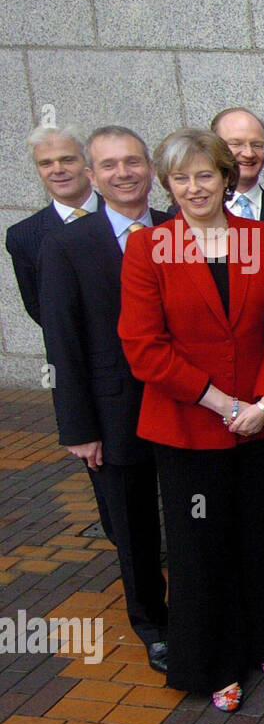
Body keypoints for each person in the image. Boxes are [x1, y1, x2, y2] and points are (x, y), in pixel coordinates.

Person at [118, 128, 264, 712]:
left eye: (205, 175)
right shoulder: (149, 248)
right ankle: (214, 662)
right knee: (201, 549)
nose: (194, 187)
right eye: (180, 178)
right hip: (191, 429)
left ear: (227, 177)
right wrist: (224, 405)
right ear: (166, 185)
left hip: (263, 424)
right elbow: (144, 347)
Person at [38, 125, 169, 674]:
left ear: (149, 168)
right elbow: (62, 343)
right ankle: (153, 625)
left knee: (191, 518)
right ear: (92, 176)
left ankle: (200, 606)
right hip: (114, 413)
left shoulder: (175, 229)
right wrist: (78, 428)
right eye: (110, 165)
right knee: (133, 526)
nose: (124, 174)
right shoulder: (67, 245)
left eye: (133, 162)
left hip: (183, 404)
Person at [6, 126, 99, 326]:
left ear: (88, 164)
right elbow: (38, 307)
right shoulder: (23, 236)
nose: (57, 169)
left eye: (68, 159)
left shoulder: (129, 217)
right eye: (46, 163)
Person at [210, 107, 264, 224]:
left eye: (257, 145)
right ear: (214, 148)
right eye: (236, 144)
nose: (249, 153)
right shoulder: (194, 213)